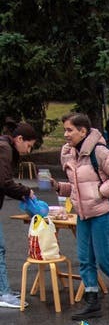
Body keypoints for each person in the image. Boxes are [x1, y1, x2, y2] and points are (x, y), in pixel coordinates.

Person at [51, 112, 109, 319]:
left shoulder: (99, 152)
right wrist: (60, 187)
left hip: (102, 213)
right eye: (65, 130)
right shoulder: (69, 153)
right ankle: (92, 301)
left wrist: (100, 192)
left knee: (104, 259)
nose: (66, 135)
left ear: (83, 131)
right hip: (83, 213)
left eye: (70, 130)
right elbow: (78, 186)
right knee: (85, 260)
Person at [0, 121, 37, 309]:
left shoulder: (5, 146)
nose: (28, 151)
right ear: (19, 139)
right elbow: (4, 182)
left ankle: (3, 289)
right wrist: (26, 192)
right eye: (28, 145)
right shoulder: (5, 149)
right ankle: (3, 293)